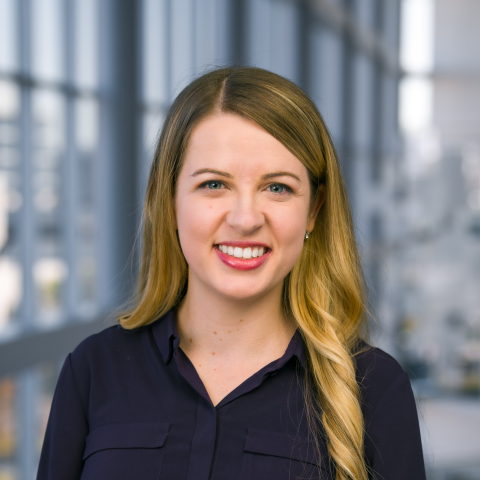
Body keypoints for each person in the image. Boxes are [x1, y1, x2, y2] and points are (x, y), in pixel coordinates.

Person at [37, 67, 426, 480]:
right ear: (168, 202)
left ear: (313, 209)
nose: (245, 219)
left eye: (277, 187)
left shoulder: (375, 389)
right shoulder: (94, 370)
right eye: (213, 185)